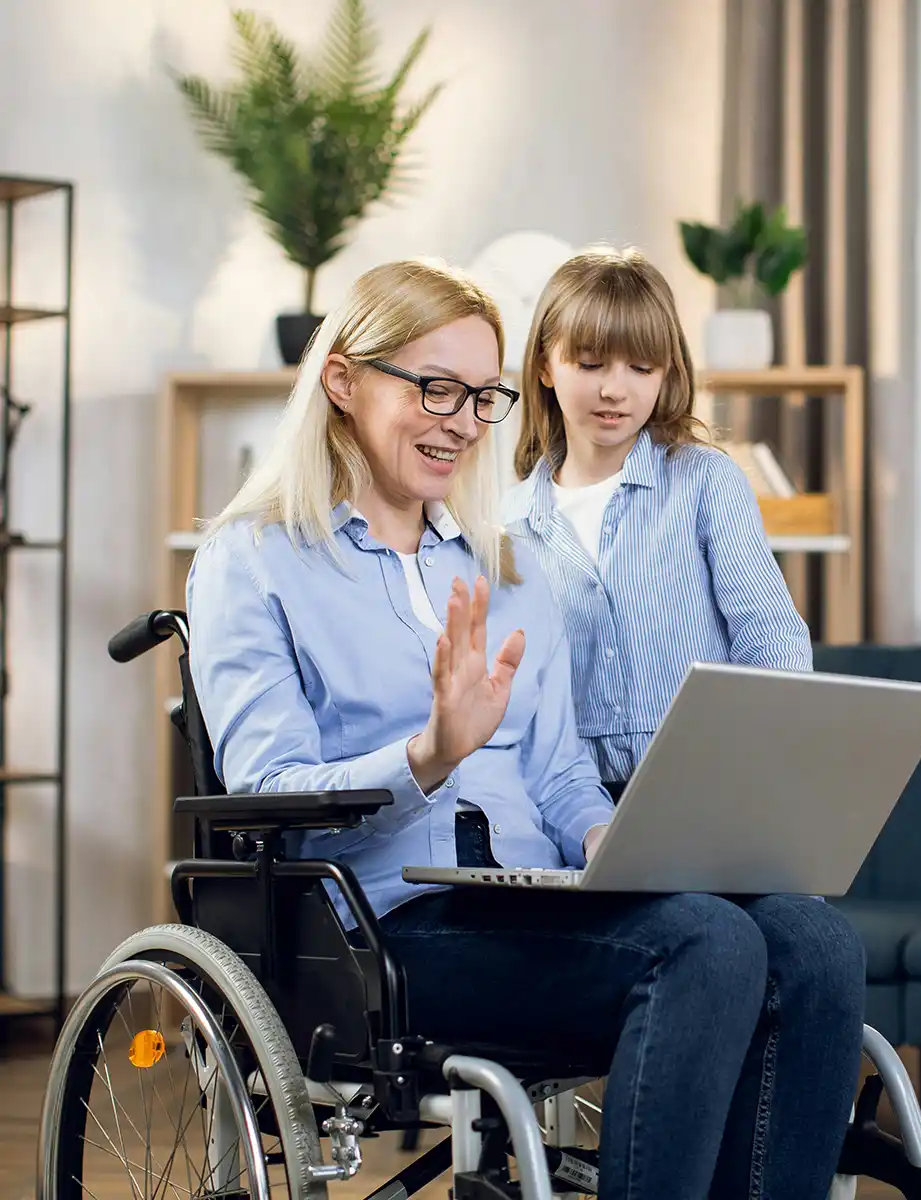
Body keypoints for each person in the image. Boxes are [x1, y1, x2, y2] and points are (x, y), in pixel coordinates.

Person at [186, 258, 865, 1200]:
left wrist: (608, 838)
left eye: (481, 397)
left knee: (815, 944)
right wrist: (429, 756)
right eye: (435, 387)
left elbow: (560, 774)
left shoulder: (503, 567)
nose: (463, 422)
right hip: (382, 933)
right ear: (341, 380)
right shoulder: (254, 560)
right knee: (706, 944)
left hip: (535, 897)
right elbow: (265, 793)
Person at [505, 245, 813, 804]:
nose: (615, 390)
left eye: (641, 368)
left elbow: (769, 636)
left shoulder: (704, 481)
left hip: (712, 782)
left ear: (667, 371)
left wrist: (766, 765)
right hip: (573, 804)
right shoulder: (509, 525)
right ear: (545, 366)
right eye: (590, 364)